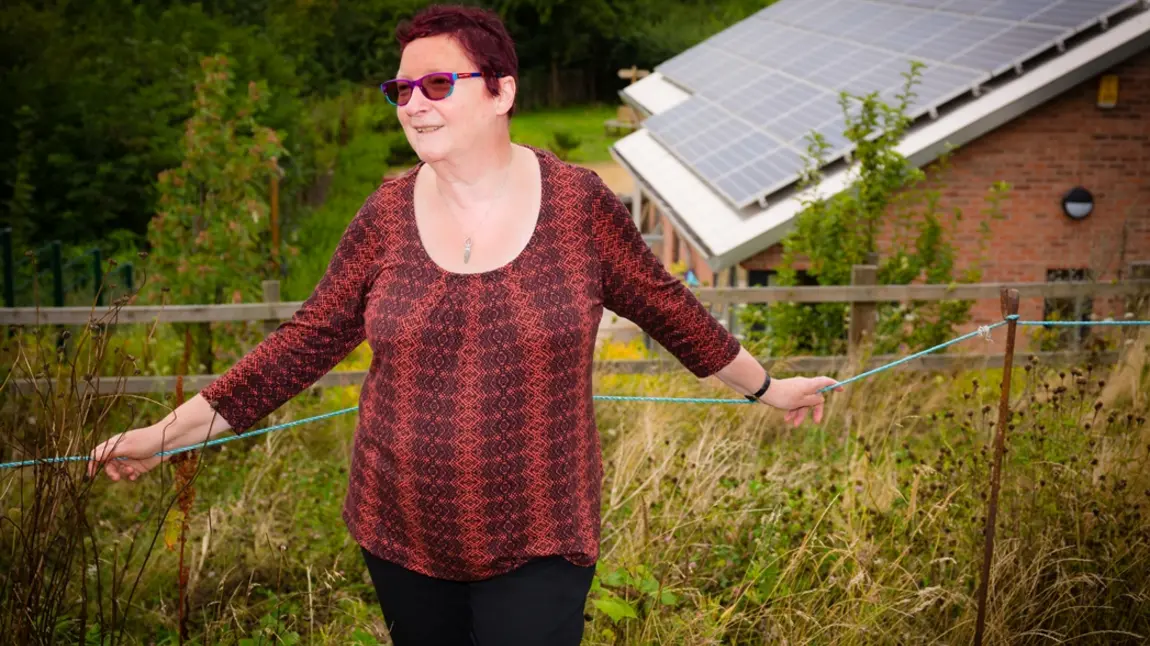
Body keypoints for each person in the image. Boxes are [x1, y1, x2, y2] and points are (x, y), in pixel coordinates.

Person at [87, 5, 840, 645]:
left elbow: (673, 312)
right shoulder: (383, 217)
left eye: (439, 84)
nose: (414, 103)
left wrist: (770, 389)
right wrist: (163, 437)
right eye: (401, 89)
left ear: (503, 90)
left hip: (541, 535)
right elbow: (299, 346)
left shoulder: (579, 207)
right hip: (399, 533)